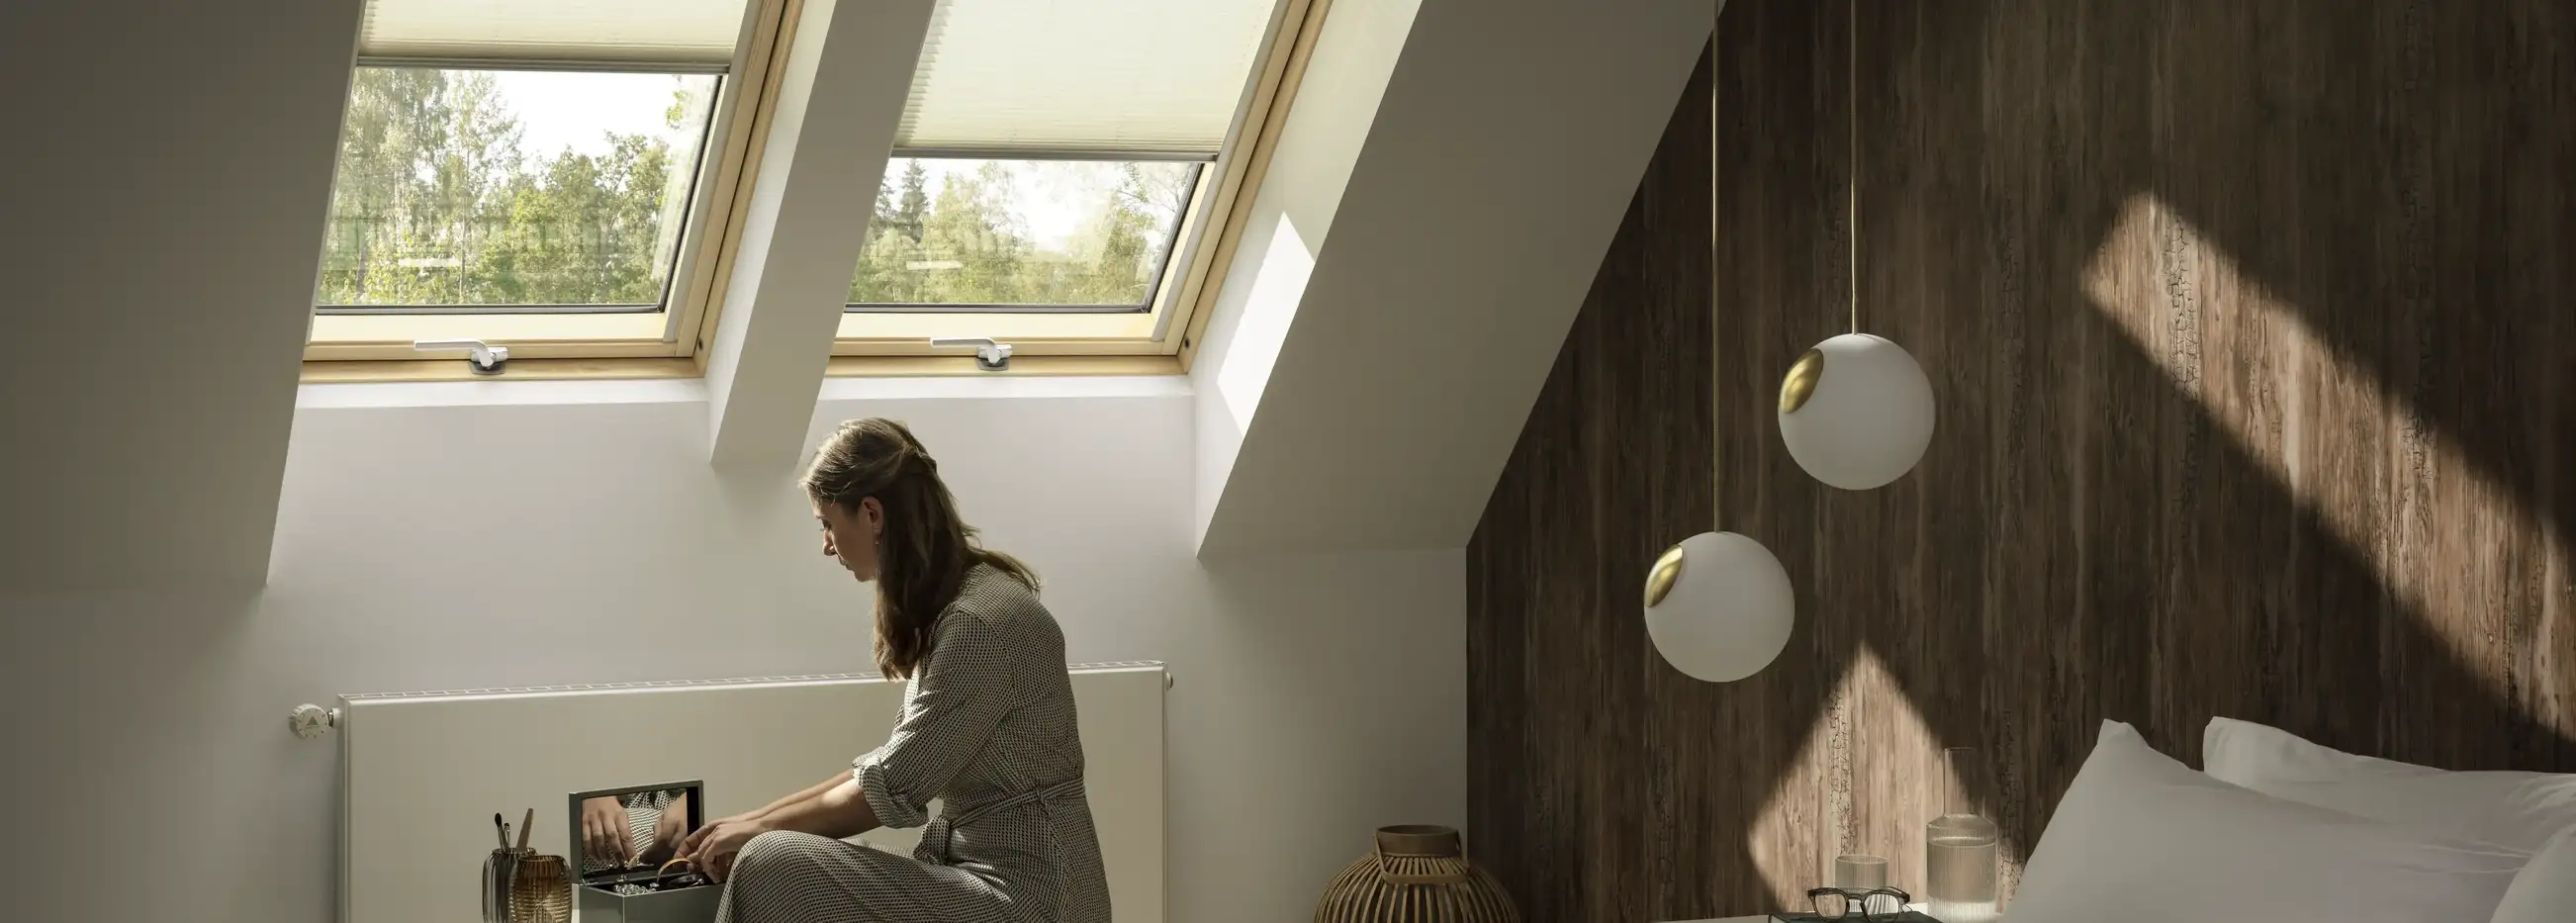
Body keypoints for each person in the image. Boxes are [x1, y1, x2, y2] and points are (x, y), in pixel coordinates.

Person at [675, 418, 1108, 923]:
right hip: (984, 875)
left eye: (826, 523)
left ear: (872, 514)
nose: (826, 544)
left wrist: (758, 833)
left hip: (1034, 900)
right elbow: (886, 766)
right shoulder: (962, 602)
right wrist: (750, 822)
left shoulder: (978, 624)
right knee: (771, 854)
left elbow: (890, 786)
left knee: (771, 863)